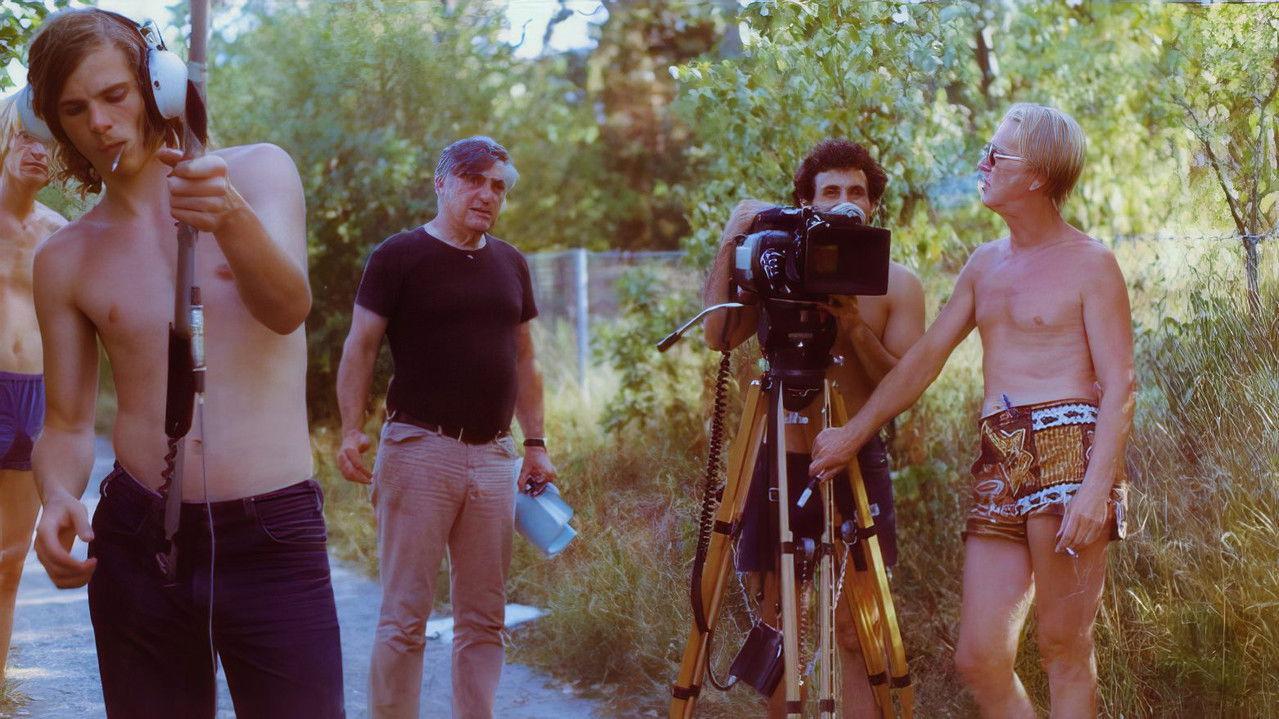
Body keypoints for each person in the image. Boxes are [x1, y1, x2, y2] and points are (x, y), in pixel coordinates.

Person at [25, 9, 343, 717]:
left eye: (114, 95)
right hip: (138, 539)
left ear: (156, 85)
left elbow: (288, 308)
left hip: (272, 534)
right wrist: (57, 494)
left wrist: (229, 215)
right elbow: (68, 424)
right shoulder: (64, 257)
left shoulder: (259, 173)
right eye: (74, 109)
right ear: (52, 124)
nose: (99, 122)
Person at [810, 104, 1132, 718]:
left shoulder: (1091, 263)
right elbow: (923, 359)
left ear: (1037, 175)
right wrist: (853, 432)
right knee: (980, 658)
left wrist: (1097, 490)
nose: (983, 162)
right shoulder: (984, 263)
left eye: (997, 154)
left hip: (1070, 451)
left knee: (1063, 648)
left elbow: (1121, 385)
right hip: (998, 452)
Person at [335, 135, 557, 719]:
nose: (487, 195)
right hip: (418, 450)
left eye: (498, 186)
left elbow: (526, 359)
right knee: (404, 617)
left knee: (484, 619)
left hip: (495, 458)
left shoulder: (510, 263)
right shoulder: (398, 256)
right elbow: (360, 347)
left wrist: (535, 444)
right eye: (474, 181)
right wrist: (351, 429)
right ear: (441, 183)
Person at [702, 138, 925, 718]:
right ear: (806, 201)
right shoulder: (779, 271)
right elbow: (719, 337)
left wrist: (853, 328)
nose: (844, 201)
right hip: (780, 455)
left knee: (857, 628)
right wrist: (734, 238)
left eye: (856, 191)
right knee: (780, 621)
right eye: (830, 191)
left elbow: (904, 384)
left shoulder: (898, 284)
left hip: (855, 455)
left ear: (872, 204)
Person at [0, 91, 67, 681]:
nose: (36, 151)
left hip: (34, 400)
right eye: (25, 136)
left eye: (47, 143)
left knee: (9, 562)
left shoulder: (59, 235)